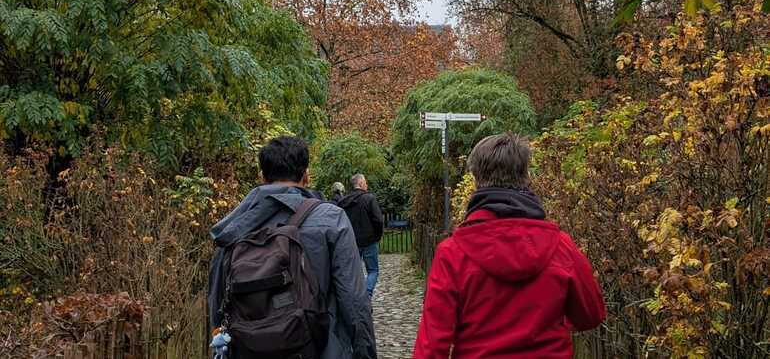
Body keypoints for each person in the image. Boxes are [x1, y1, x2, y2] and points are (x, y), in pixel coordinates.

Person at [413, 133, 606, 359]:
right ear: (525, 175)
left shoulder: (453, 253)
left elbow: (432, 343)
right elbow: (590, 315)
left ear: (476, 179)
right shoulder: (560, 246)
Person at [208, 136, 376, 359]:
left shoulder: (234, 226)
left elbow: (217, 303)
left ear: (262, 176)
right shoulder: (331, 219)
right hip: (320, 348)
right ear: (306, 175)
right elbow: (354, 300)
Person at [337, 174, 384, 299]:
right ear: (361, 183)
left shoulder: (343, 202)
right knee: (373, 270)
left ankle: (356, 295)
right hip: (369, 241)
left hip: (351, 241)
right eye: (366, 182)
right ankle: (367, 294)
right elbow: (378, 220)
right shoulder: (369, 199)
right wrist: (377, 236)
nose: (367, 185)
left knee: (354, 271)